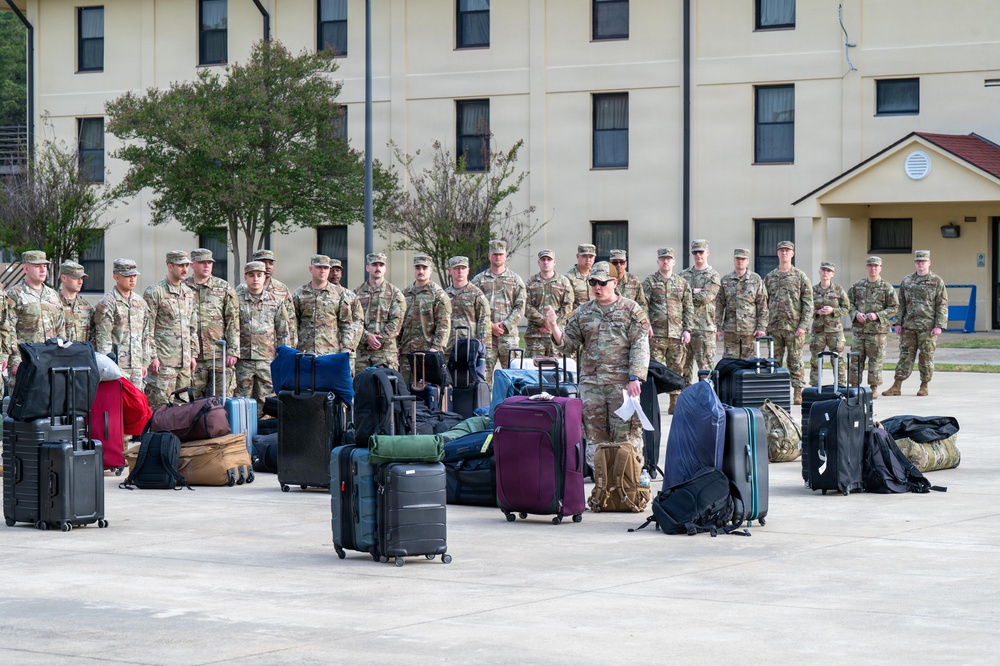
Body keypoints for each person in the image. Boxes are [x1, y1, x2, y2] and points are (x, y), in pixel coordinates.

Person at [545, 261, 650, 469]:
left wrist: (634, 378)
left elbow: (640, 345)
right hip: (592, 386)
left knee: (625, 437)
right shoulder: (583, 312)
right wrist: (554, 327)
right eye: (592, 282)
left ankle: (628, 488)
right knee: (595, 440)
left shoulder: (631, 310)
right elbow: (568, 345)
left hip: (621, 387)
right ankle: (602, 489)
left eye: (602, 282)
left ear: (615, 282)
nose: (597, 287)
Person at [883, 250, 948, 397]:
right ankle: (896, 385)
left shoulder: (937, 281)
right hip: (909, 326)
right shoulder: (907, 281)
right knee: (905, 356)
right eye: (918, 261)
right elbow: (901, 304)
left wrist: (939, 325)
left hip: (928, 327)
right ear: (915, 263)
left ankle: (924, 385)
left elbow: (942, 304)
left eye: (923, 261)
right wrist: (897, 323)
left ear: (929, 263)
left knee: (926, 357)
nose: (921, 264)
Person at [235, 261, 292, 417]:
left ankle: (264, 437)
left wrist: (284, 357)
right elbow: (231, 328)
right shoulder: (236, 300)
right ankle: (242, 436)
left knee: (266, 401)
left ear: (264, 277)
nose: (255, 279)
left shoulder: (275, 301)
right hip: (243, 359)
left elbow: (283, 332)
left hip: (266, 360)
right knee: (242, 400)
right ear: (245, 277)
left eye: (259, 275)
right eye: (251, 275)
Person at [143, 251, 199, 408]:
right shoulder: (155, 292)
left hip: (184, 363)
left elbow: (192, 326)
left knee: (182, 409)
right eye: (181, 265)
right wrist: (152, 356)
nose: (185, 269)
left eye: (186, 265)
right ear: (169, 266)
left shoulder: (188, 293)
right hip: (163, 362)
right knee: (160, 408)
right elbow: (147, 328)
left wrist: (193, 354)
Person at [642, 247, 692, 414]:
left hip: (676, 335)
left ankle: (675, 403)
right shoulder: (649, 282)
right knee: (654, 369)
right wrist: (646, 324)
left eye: (669, 259)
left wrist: (687, 330)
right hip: (655, 334)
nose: (665, 261)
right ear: (658, 261)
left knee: (676, 368)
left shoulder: (682, 283)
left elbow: (688, 307)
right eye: (663, 259)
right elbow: (643, 306)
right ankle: (652, 402)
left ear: (673, 262)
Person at [764, 241, 813, 405]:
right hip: (774, 328)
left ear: (792, 254)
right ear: (778, 253)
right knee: (773, 362)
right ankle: (775, 391)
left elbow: (808, 304)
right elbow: (764, 302)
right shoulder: (770, 277)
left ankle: (798, 392)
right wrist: (764, 325)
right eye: (781, 250)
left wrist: (803, 326)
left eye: (787, 251)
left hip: (794, 328)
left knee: (795, 361)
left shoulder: (800, 276)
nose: (784, 253)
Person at [186, 248, 240, 398]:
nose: (206, 266)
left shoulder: (224, 288)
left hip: (219, 356)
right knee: (192, 403)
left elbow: (233, 322)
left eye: (209, 262)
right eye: (202, 262)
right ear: (192, 265)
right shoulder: (183, 288)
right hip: (193, 357)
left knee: (223, 401)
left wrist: (233, 351)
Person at [471, 239, 526, 386]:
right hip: (486, 338)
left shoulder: (515, 280)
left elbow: (520, 306)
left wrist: (505, 325)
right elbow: (473, 309)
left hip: (508, 337)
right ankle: (484, 408)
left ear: (505, 255)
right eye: (494, 254)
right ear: (489, 256)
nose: (497, 257)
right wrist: (490, 326)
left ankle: (511, 408)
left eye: (500, 254)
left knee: (513, 378)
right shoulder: (479, 280)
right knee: (483, 378)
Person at [5, 251, 65, 382]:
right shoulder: (14, 295)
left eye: (44, 265)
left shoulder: (53, 295)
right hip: (26, 362)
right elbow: (9, 331)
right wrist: (16, 360)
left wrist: (63, 355)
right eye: (38, 266)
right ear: (26, 268)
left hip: (52, 362)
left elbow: (60, 329)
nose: (43, 269)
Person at [93, 259, 151, 390]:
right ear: (116, 277)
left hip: (136, 365)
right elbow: (103, 337)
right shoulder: (107, 303)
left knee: (137, 405)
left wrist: (144, 362)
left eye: (134, 276)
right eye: (127, 276)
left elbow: (146, 334)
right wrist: (107, 367)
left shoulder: (140, 303)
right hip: (117, 366)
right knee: (118, 405)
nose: (132, 279)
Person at [847, 256, 898, 399]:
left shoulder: (886, 287)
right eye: (870, 266)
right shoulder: (857, 286)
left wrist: (878, 315)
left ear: (880, 268)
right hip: (859, 331)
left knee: (875, 361)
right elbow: (848, 303)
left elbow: (894, 307)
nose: (873, 269)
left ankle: (874, 388)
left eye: (876, 266)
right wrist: (855, 314)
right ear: (866, 268)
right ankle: (854, 387)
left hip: (877, 332)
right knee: (856, 360)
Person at [292, 254, 360, 359]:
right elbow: (293, 324)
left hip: (331, 354)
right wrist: (292, 350)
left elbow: (346, 324)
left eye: (326, 268)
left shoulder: (339, 294)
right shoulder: (299, 293)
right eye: (319, 267)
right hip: (305, 353)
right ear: (311, 269)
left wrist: (346, 351)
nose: (322, 270)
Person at [398, 254, 452, 386]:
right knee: (406, 391)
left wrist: (436, 348)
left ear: (430, 270)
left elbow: (443, 324)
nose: (421, 271)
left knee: (428, 392)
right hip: (407, 353)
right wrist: (396, 346)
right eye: (418, 267)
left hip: (428, 353)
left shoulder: (438, 295)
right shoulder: (404, 294)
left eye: (424, 268)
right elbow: (399, 323)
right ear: (414, 269)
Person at [355, 252, 406, 371]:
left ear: (385, 269)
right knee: (362, 387)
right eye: (374, 265)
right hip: (362, 353)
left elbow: (396, 321)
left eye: (381, 265)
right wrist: (367, 337)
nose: (378, 268)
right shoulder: (356, 293)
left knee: (386, 387)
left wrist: (378, 340)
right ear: (367, 268)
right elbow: (353, 320)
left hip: (385, 353)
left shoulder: (395, 293)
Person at [680, 239, 721, 383]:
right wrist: (696, 290)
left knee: (706, 371)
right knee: (683, 370)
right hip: (685, 328)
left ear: (707, 253)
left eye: (701, 252)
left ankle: (706, 402)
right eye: (695, 252)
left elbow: (705, 298)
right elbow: (678, 298)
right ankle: (684, 403)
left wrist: (689, 293)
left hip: (704, 329)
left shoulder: (713, 276)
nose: (698, 255)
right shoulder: (684, 275)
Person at [715, 248, 768, 359]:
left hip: (749, 330)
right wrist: (718, 328)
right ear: (734, 260)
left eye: (743, 259)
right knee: (730, 362)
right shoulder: (726, 280)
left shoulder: (756, 280)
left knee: (749, 362)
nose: (740, 261)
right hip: (730, 329)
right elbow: (719, 305)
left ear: (747, 261)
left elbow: (762, 304)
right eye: (738, 258)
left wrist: (761, 327)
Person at [524, 249, 574, 358]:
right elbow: (525, 306)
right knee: (534, 371)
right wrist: (543, 321)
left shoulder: (563, 282)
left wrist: (553, 323)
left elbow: (568, 306)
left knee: (557, 371)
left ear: (554, 262)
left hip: (556, 335)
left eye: (549, 259)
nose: (546, 262)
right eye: (543, 260)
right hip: (536, 336)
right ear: (539, 262)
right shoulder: (531, 282)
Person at [808, 261, 849, 388]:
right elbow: (806, 309)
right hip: (818, 330)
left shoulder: (838, 290)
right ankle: (815, 386)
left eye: (829, 271)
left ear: (832, 274)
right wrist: (817, 312)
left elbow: (846, 307)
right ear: (819, 272)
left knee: (837, 359)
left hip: (835, 331)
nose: (826, 273)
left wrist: (833, 311)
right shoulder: (812, 290)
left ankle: (840, 385)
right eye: (824, 270)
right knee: (816, 359)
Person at [445, 255, 491, 357]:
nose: (460, 271)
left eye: (463, 268)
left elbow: (484, 321)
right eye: (456, 268)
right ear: (449, 271)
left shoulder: (476, 294)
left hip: (469, 348)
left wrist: (482, 348)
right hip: (448, 348)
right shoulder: (444, 295)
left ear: (468, 270)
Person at [252, 249, 297, 346]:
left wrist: (292, 346)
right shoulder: (245, 290)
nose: (268, 267)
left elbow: (290, 319)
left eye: (270, 263)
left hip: (275, 345)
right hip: (250, 347)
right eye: (264, 263)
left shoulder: (282, 289)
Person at [58, 260, 95, 344]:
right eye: (76, 278)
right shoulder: (54, 304)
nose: (80, 281)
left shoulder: (87, 307)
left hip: (82, 355)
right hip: (59, 355)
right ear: (64, 278)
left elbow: (93, 335)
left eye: (81, 278)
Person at [609, 249, 648, 314]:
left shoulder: (634, 281)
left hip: (629, 321)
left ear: (626, 264)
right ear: (610, 264)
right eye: (615, 262)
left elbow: (642, 305)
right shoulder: (605, 281)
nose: (619, 265)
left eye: (622, 262)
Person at [564, 243, 597, 311]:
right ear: (577, 256)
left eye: (591, 256)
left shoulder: (597, 276)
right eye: (584, 256)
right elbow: (567, 305)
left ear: (595, 257)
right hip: (577, 318)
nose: (588, 260)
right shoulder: (568, 278)